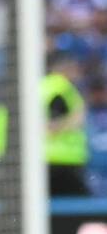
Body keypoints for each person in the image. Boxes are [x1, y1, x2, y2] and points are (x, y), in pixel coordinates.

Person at [42, 63, 90, 197]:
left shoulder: (44, 86)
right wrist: (76, 119)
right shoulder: (61, 89)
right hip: (62, 161)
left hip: (47, 158)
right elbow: (51, 125)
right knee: (82, 205)